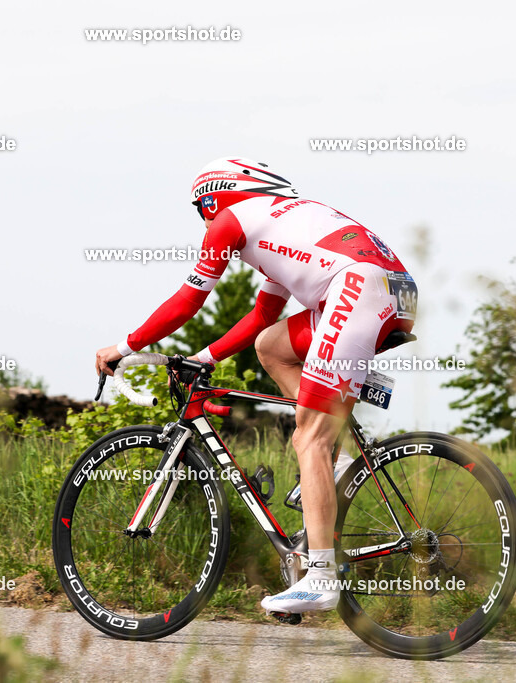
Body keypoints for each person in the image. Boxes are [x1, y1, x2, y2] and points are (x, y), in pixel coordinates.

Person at [95, 157, 416, 614]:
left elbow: (189, 299)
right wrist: (202, 358)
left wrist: (126, 346)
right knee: (273, 346)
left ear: (213, 196)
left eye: (200, 208)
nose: (204, 219)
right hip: (389, 290)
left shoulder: (231, 221)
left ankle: (322, 576)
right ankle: (341, 459)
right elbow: (263, 317)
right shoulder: (282, 224)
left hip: (359, 291)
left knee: (308, 437)